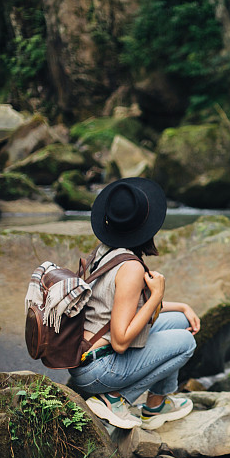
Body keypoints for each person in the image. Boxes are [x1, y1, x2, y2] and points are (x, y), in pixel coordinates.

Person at [68, 177, 200, 430]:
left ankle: (156, 405)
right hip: (99, 368)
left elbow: (121, 307)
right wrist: (157, 297)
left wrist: (181, 306)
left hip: (87, 353)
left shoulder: (106, 250)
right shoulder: (130, 268)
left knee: (182, 320)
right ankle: (116, 399)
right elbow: (120, 341)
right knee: (185, 342)